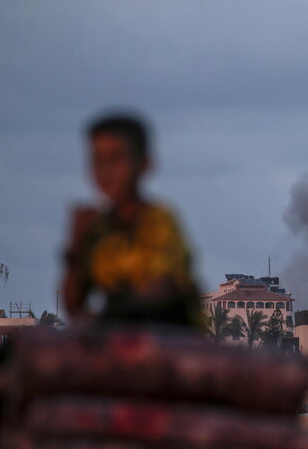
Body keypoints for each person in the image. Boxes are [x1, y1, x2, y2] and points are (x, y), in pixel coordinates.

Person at [62, 112, 203, 327]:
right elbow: (73, 307)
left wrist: (104, 322)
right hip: (119, 334)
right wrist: (76, 246)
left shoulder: (159, 220)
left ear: (144, 164)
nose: (106, 171)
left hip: (169, 334)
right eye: (98, 160)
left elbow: (158, 295)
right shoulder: (96, 229)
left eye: (116, 159)